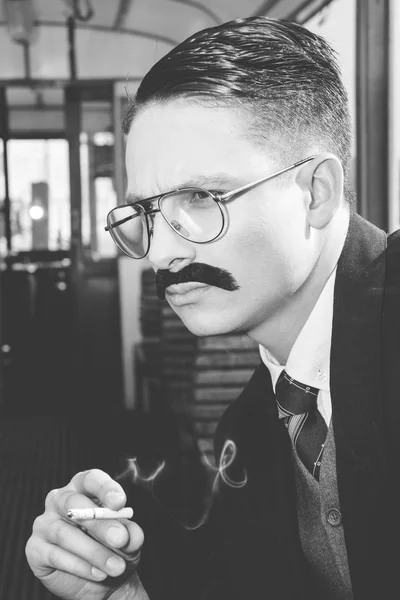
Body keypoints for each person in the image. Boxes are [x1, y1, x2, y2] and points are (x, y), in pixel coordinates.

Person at [25, 15, 400, 600]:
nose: (163, 251)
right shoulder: (251, 428)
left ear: (315, 192)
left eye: (201, 197)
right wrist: (117, 590)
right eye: (145, 214)